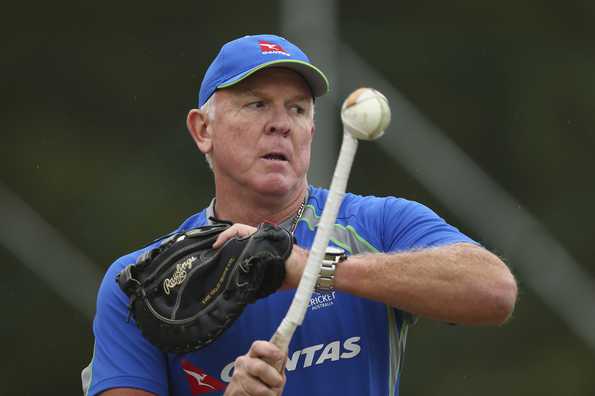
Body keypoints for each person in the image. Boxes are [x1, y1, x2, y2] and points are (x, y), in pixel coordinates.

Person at [82, 34, 517, 396]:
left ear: (312, 129)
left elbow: (494, 291)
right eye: (256, 104)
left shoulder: (380, 224)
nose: (281, 123)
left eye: (297, 108)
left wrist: (309, 268)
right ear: (202, 130)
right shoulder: (144, 280)